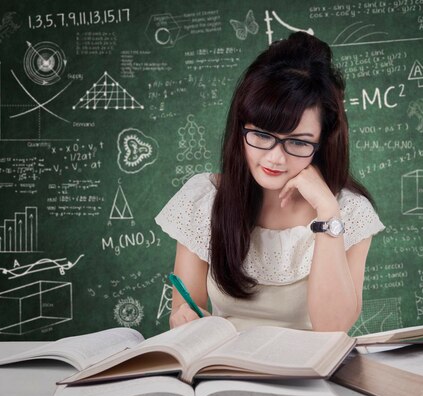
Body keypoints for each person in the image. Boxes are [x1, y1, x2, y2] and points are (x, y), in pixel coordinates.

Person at [155, 31, 384, 333]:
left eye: (298, 142)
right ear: (241, 129)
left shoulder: (349, 212)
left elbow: (332, 328)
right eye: (262, 136)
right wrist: (184, 318)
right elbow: (187, 312)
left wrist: (327, 210)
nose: (275, 158)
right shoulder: (204, 199)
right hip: (225, 371)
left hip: (307, 375)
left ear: (323, 142)